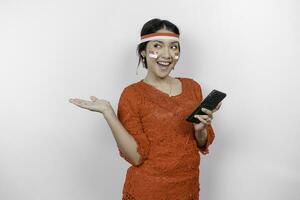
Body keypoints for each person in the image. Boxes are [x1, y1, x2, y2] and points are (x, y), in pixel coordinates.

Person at [69, 18, 222, 200]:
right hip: (148, 191)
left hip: (187, 189)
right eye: (158, 46)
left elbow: (202, 143)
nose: (167, 54)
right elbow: (135, 157)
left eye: (174, 47)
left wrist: (200, 129)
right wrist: (109, 114)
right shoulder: (132, 94)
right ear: (143, 52)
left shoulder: (193, 87)